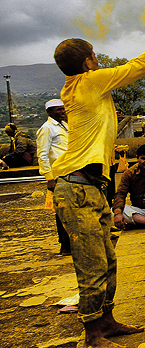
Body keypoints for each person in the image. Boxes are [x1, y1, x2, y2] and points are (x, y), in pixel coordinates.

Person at [35, 99, 70, 254]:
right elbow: (42, 155)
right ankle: (65, 245)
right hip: (57, 175)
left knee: (71, 210)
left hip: (69, 172)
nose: (62, 112)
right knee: (62, 211)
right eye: (58, 110)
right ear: (49, 112)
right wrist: (49, 178)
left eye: (63, 109)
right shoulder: (47, 128)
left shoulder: (65, 126)